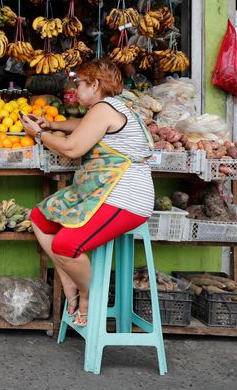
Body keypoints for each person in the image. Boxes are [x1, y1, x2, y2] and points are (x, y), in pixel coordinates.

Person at [20, 59, 154, 326]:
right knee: (40, 218)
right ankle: (70, 284)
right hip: (103, 191)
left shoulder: (104, 109)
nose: (74, 88)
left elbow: (72, 149)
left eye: (79, 83)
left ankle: (91, 296)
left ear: (95, 84)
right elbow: (84, 125)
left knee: (66, 245)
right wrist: (52, 126)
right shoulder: (112, 106)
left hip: (124, 197)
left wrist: (38, 135)